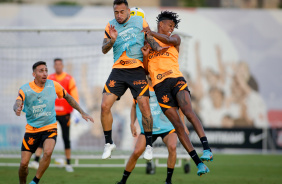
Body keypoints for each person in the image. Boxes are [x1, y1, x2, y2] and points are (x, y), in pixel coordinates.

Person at [141, 11, 213, 175]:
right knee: (178, 126)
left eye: (173, 27)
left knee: (188, 112)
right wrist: (145, 56)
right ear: (162, 24)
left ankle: (207, 149)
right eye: (170, 26)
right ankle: (199, 164)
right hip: (160, 87)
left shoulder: (175, 39)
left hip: (176, 80)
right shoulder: (148, 43)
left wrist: (150, 31)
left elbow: (167, 39)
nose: (172, 29)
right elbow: (146, 71)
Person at [101, 0, 166, 160]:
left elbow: (150, 38)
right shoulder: (110, 26)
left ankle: (149, 146)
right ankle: (109, 143)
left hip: (136, 70)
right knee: (104, 106)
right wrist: (112, 40)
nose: (119, 15)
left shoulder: (139, 21)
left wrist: (157, 48)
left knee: (144, 107)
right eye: (116, 12)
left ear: (128, 11)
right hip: (118, 70)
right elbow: (104, 49)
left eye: (122, 12)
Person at [13, 61, 93, 184]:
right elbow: (18, 101)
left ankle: (35, 181)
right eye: (41, 71)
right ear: (34, 74)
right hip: (32, 130)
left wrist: (82, 112)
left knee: (48, 152)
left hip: (49, 127)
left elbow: (68, 97)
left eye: (46, 70)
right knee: (23, 164)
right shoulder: (25, 89)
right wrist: (17, 108)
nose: (45, 73)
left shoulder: (53, 85)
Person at [116, 76, 189, 184]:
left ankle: (168, 181)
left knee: (172, 147)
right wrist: (132, 123)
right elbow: (134, 106)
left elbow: (180, 104)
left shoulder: (166, 86)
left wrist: (183, 124)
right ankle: (123, 181)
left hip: (167, 127)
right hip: (148, 128)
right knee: (136, 152)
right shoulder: (140, 88)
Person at [29, 58, 79, 172]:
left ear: (62, 66)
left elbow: (74, 95)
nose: (58, 66)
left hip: (65, 114)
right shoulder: (49, 78)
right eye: (56, 65)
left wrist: (76, 112)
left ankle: (68, 164)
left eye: (60, 64)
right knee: (42, 136)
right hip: (50, 113)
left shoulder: (69, 79)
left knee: (66, 138)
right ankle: (36, 161)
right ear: (53, 66)